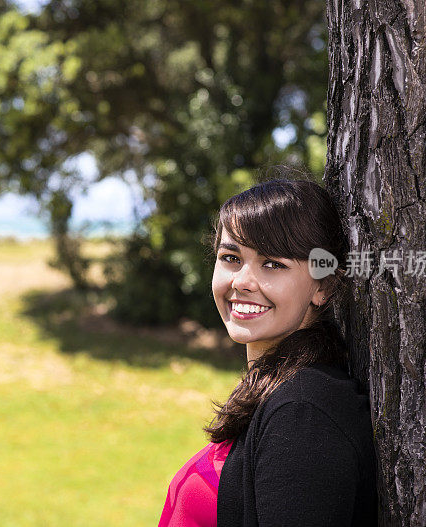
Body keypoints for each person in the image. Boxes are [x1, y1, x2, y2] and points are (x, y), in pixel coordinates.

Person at [158, 177, 377, 526]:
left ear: (324, 285)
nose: (242, 281)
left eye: (273, 264)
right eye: (231, 257)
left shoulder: (305, 413)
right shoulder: (279, 391)